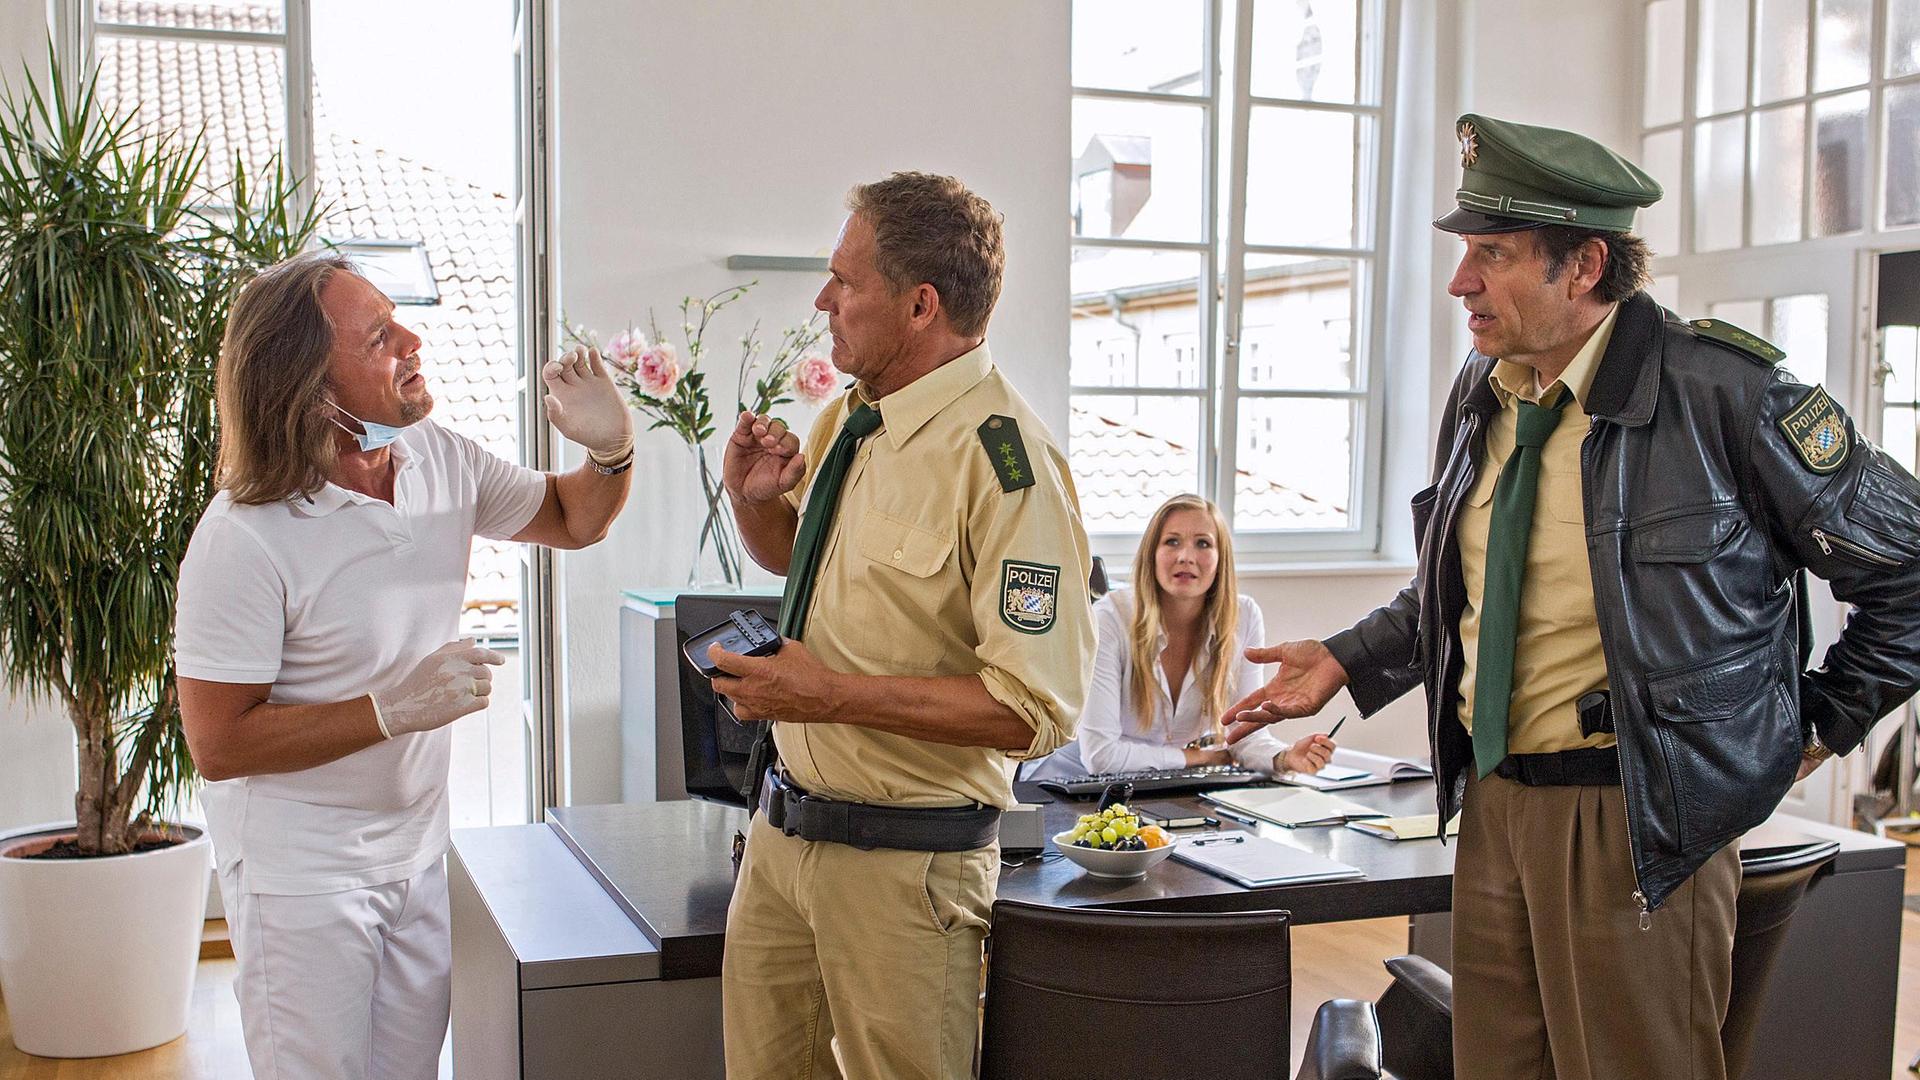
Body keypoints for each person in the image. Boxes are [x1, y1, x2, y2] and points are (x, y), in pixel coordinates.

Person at [1222, 113, 1920, 1080]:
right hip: (1495, 804)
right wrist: (1345, 657)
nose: (1462, 280)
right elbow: (1466, 587)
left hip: (1635, 816)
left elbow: (1911, 574)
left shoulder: (1727, 394)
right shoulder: (1486, 389)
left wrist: (1805, 731)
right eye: (1467, 251)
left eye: (1493, 253)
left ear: (1584, 265)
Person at [173, 253, 634, 1080]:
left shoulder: (438, 458)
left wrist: (611, 450)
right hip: (301, 882)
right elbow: (219, 744)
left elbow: (571, 519)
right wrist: (388, 710)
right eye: (381, 335)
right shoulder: (244, 535)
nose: (413, 339)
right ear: (309, 382)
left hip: (417, 854)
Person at [709, 171, 1096, 1080]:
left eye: (845, 281)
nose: (823, 299)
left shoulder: (1009, 466)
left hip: (903, 872)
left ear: (921, 304)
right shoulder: (853, 415)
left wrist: (828, 696)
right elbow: (801, 565)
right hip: (781, 842)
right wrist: (755, 503)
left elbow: (1032, 710)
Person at [1036, 493, 1334, 780]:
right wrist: (1196, 758)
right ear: (1152, 553)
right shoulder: (1110, 619)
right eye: (1172, 542)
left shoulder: (1243, 617)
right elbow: (1101, 756)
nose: (1186, 557)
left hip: (1167, 788)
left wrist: (1285, 757)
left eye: (1203, 543)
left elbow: (1243, 738)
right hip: (1071, 787)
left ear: (1221, 559)